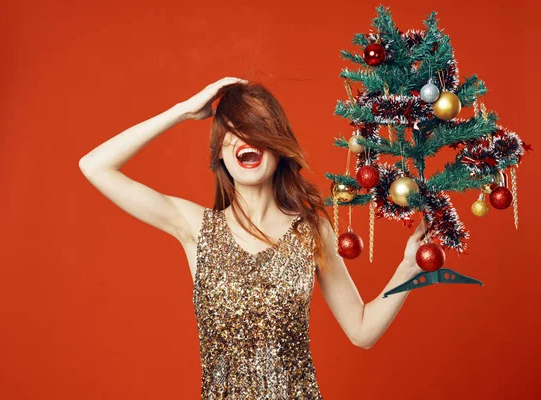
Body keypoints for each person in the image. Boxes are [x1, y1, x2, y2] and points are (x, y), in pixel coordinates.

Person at [78, 76, 428, 399]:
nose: (246, 137)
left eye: (258, 128)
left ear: (278, 146)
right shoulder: (195, 227)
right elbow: (95, 166)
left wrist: (408, 269)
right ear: (219, 153)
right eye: (233, 130)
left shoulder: (311, 230)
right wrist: (183, 111)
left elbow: (362, 331)